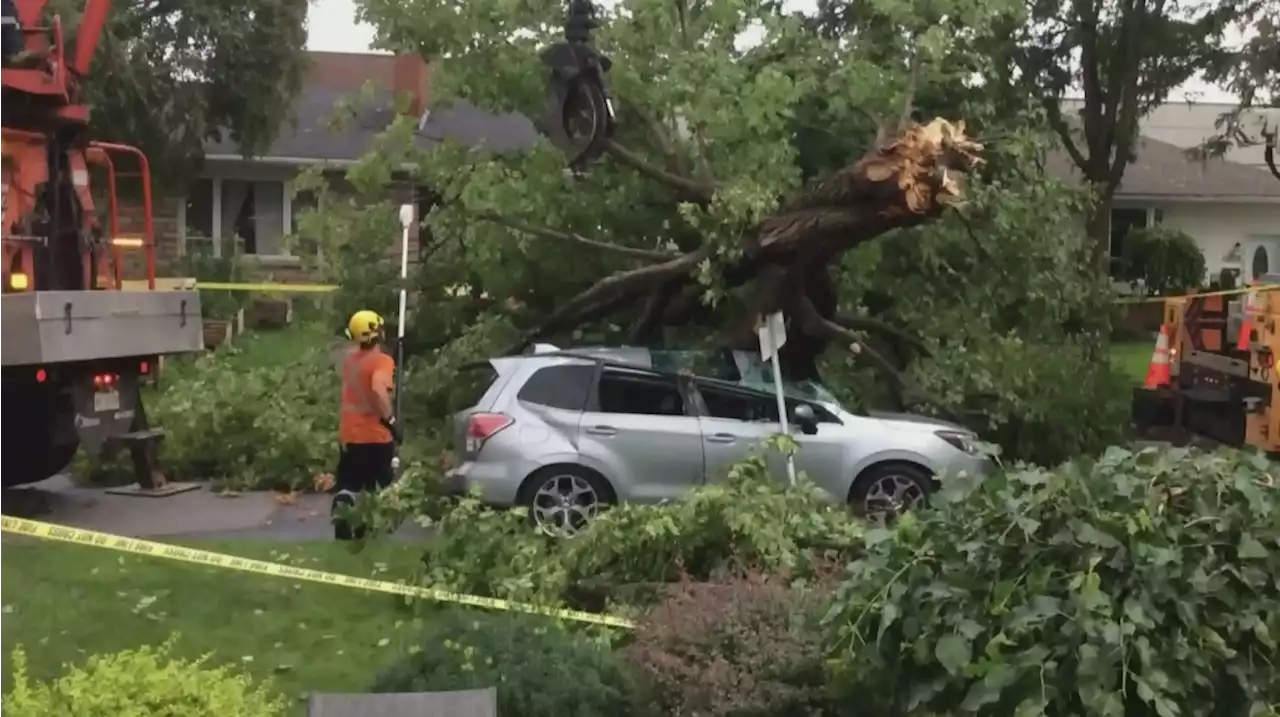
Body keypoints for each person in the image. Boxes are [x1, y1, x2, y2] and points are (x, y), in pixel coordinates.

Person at [331, 309, 401, 541]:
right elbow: (378, 389)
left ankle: (343, 508)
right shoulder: (383, 362)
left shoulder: (350, 361)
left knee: (350, 482)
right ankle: (364, 528)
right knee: (375, 487)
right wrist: (391, 421)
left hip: (349, 434)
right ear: (376, 332)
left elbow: (360, 381)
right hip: (375, 436)